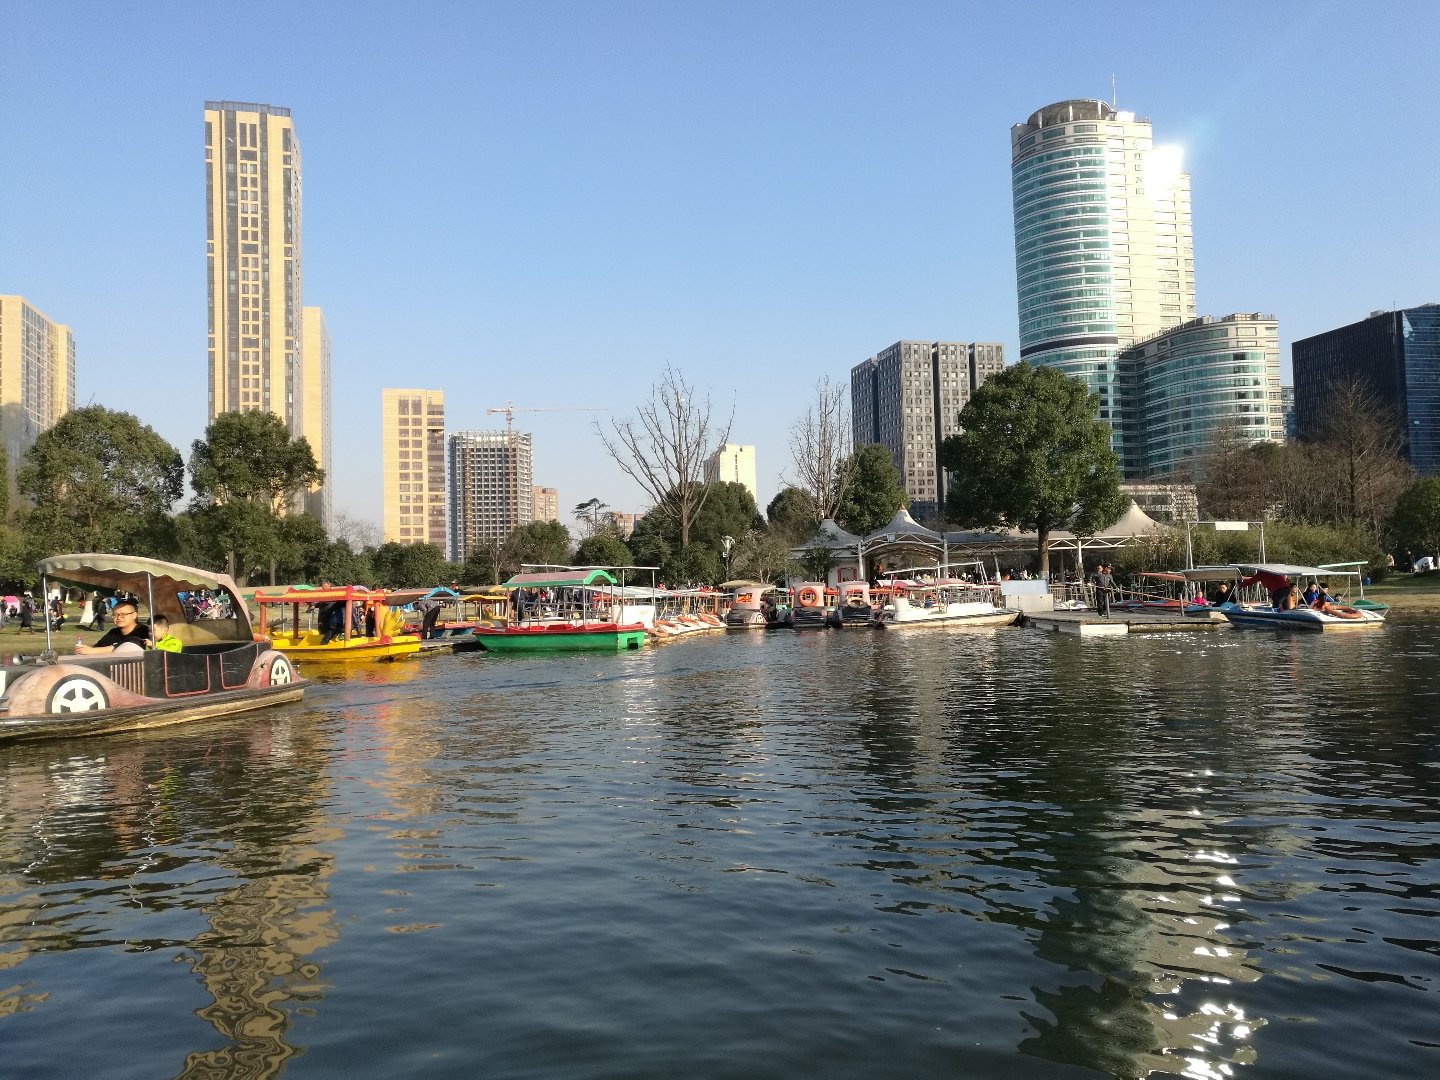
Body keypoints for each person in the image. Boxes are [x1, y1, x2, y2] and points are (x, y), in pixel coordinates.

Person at [75, 601, 150, 654]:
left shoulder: (145, 631)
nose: (119, 618)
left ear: (134, 615)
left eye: (123, 614)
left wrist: (92, 651)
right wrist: (84, 650)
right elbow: (97, 648)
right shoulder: (113, 633)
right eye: (115, 615)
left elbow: (127, 645)